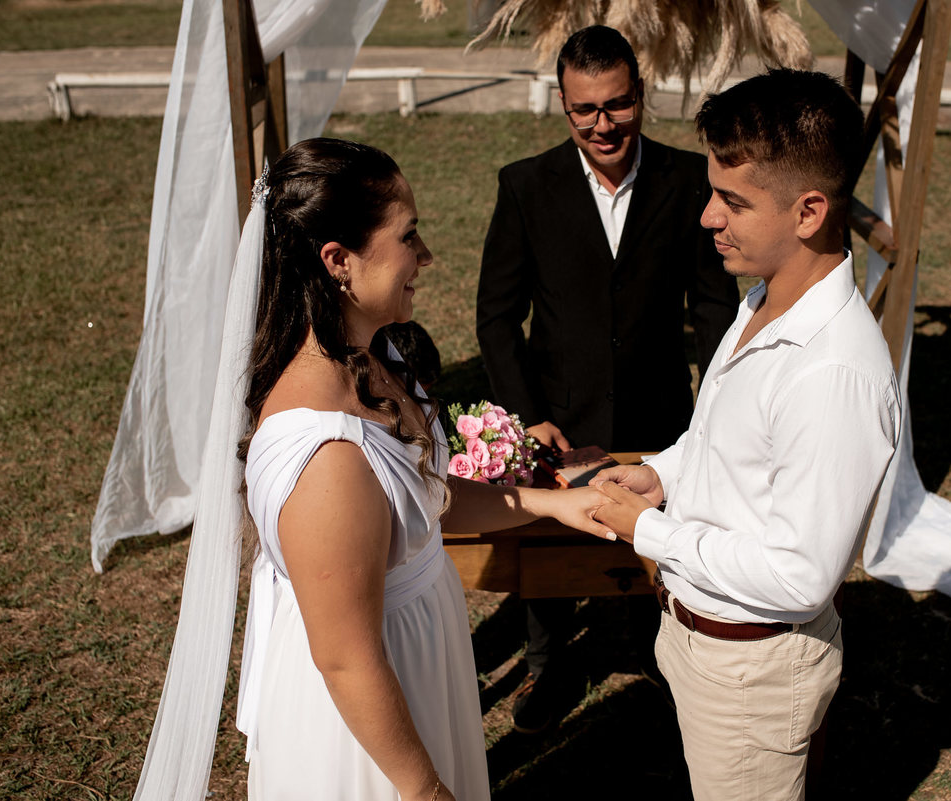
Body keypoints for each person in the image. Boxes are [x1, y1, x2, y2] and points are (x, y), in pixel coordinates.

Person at [133, 138, 613, 801]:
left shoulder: (371, 359)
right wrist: (425, 790)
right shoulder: (326, 457)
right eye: (408, 236)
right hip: (369, 713)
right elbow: (346, 658)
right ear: (338, 261)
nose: (426, 256)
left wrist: (552, 504)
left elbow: (422, 499)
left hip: (417, 658)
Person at [585, 70, 903, 801]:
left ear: (808, 211)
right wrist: (663, 474)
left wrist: (650, 531)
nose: (708, 217)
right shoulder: (763, 297)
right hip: (703, 640)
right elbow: (723, 436)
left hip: (751, 673)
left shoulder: (832, 373)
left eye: (733, 201)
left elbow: (799, 576)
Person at [475, 25, 739, 732]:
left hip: (662, 412)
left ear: (640, 95)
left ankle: (660, 653)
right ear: (563, 104)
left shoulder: (689, 180)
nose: (603, 124)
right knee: (548, 551)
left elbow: (714, 306)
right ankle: (548, 662)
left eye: (617, 105)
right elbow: (497, 317)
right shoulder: (525, 186)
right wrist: (526, 415)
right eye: (584, 109)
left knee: (658, 543)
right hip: (558, 418)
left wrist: (716, 406)